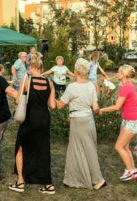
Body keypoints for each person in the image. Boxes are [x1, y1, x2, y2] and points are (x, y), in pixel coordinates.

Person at [56, 58, 106, 190]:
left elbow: (60, 105)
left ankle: (98, 179)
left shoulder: (72, 87)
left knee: (79, 149)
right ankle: (74, 178)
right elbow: (95, 107)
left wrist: (49, 96)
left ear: (76, 71)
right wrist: (97, 111)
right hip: (89, 119)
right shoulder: (91, 85)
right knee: (85, 148)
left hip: (78, 120)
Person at [9, 58, 56, 194]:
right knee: (43, 149)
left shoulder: (27, 80)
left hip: (30, 118)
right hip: (44, 119)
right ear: (41, 67)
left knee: (21, 148)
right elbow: (52, 105)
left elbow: (18, 100)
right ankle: (48, 184)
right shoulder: (50, 82)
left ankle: (20, 182)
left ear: (31, 67)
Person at [100, 65, 137, 181]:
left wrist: (101, 110)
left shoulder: (125, 87)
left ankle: (130, 171)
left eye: (118, 72)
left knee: (118, 146)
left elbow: (116, 107)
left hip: (132, 121)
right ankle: (132, 169)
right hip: (129, 119)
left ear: (124, 74)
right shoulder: (127, 84)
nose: (117, 73)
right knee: (125, 146)